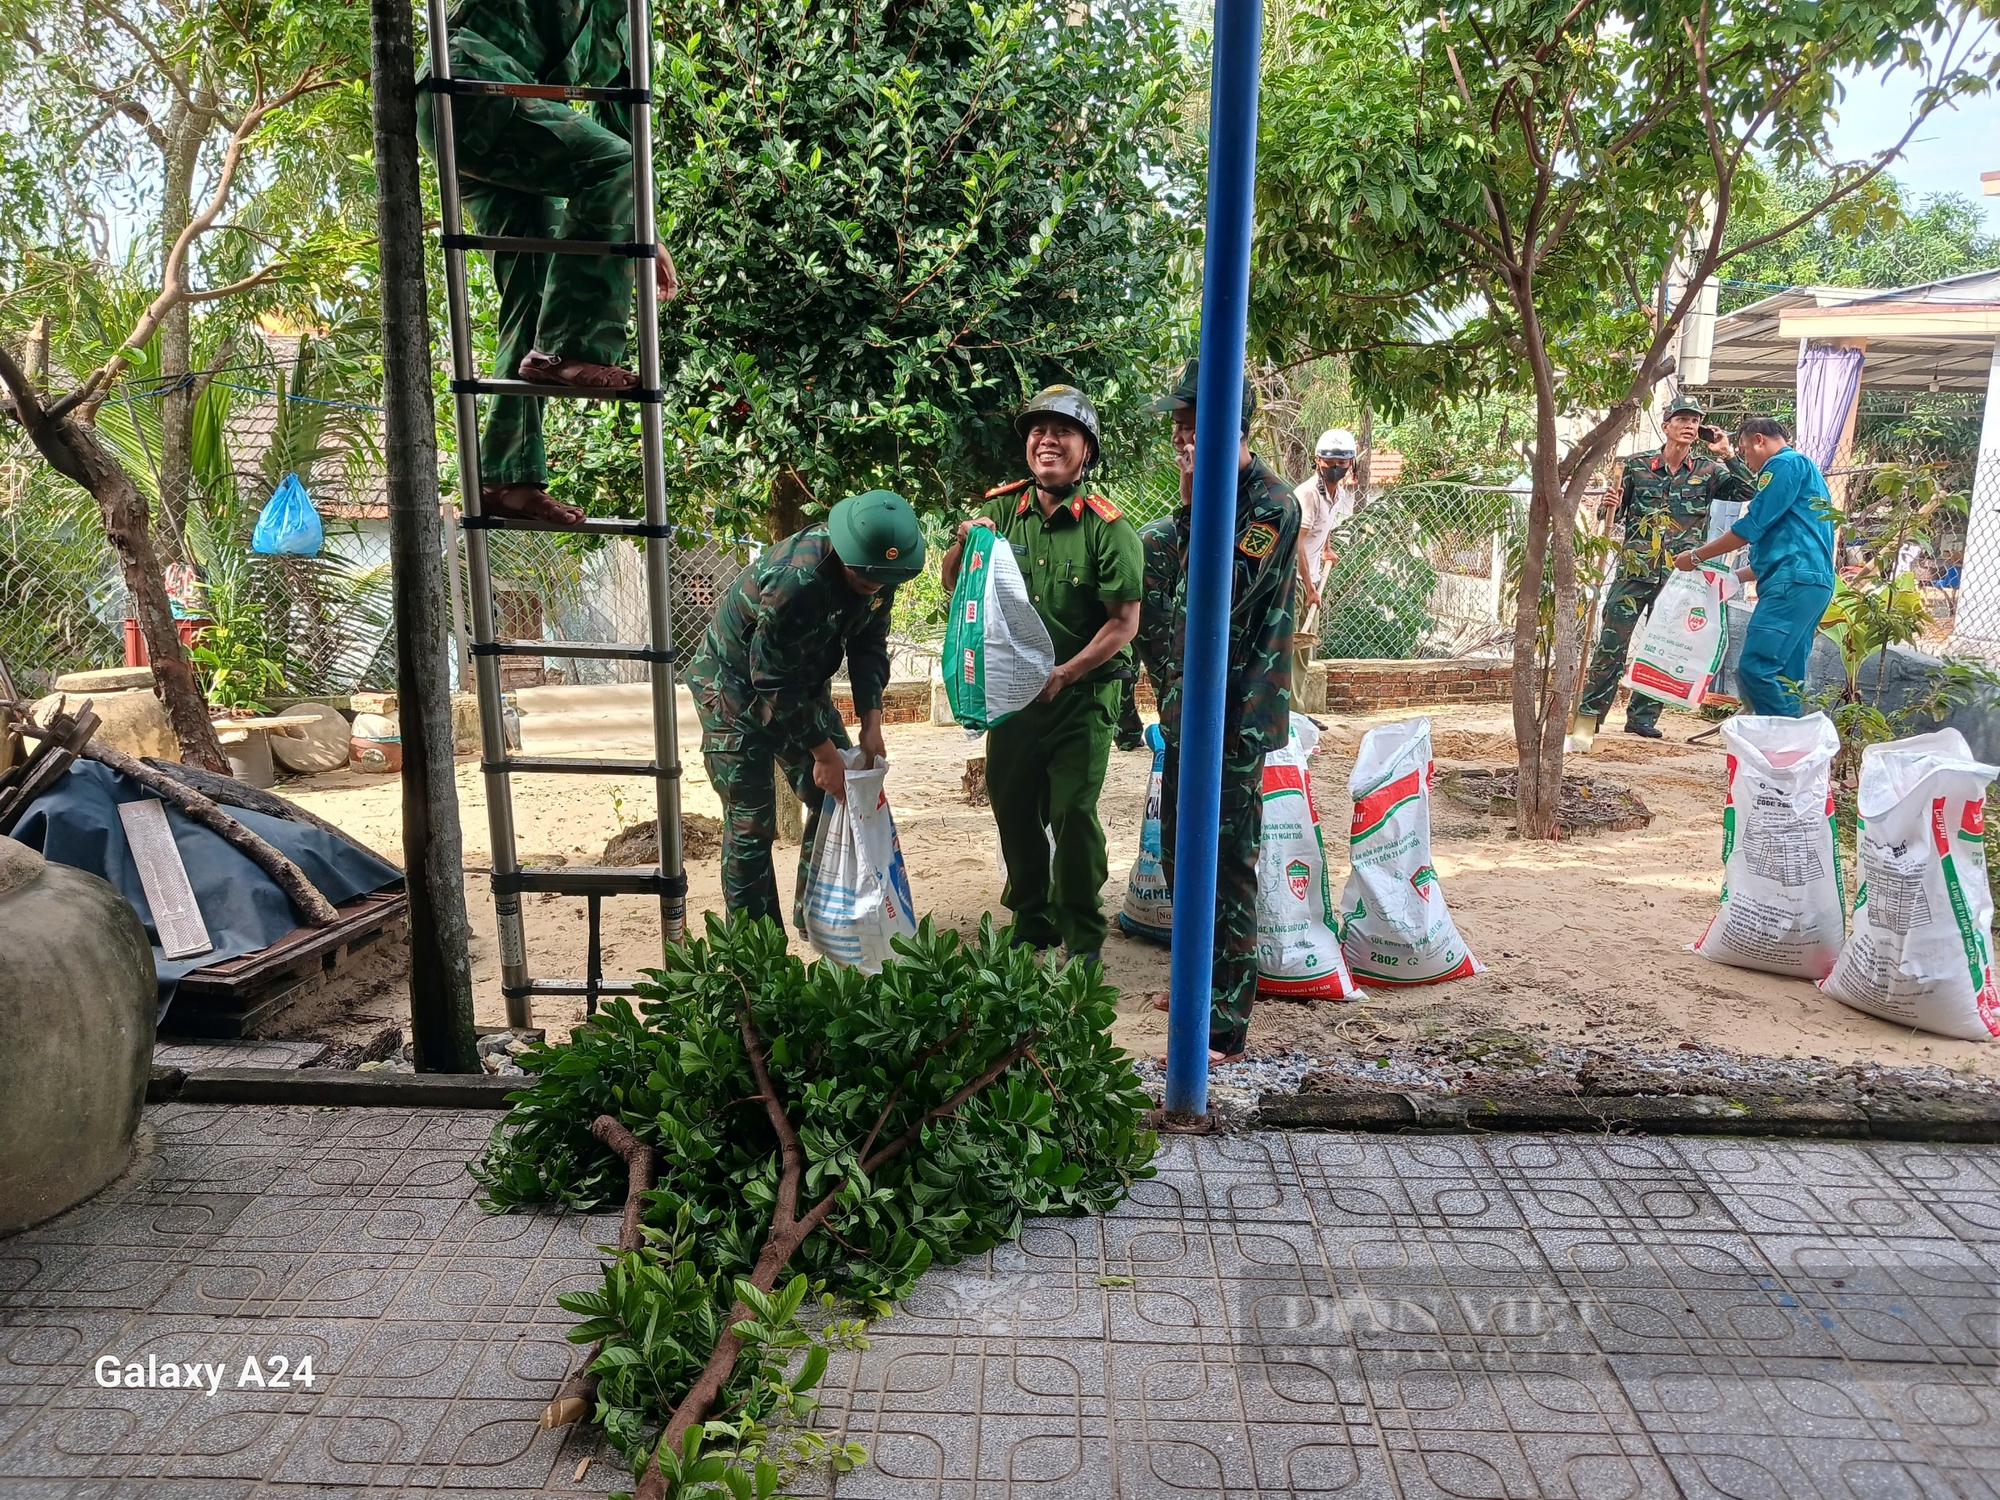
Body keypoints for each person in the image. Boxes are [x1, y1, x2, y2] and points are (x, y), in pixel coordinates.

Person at [418, 0, 680, 527]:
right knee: (615, 169)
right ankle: (567, 350)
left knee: (535, 289)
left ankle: (504, 479)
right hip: (468, 92)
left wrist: (644, 234)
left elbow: (623, 129)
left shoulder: (629, 21)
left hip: (508, 130)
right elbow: (617, 164)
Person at [941, 385, 1142, 968]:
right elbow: (957, 584)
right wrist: (961, 542)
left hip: (1081, 696)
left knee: (1072, 812)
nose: (1046, 440)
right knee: (1012, 804)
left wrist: (1066, 672)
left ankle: (1082, 934)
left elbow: (1123, 624)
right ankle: (1031, 923)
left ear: (1087, 450)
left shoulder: (1108, 529)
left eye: (1062, 432)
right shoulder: (999, 512)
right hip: (1014, 698)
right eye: (1037, 430)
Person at [1143, 359, 1301, 1063]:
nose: (1180, 437)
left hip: (1237, 709)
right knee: (1179, 850)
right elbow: (1165, 574)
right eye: (1176, 425)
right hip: (1187, 704)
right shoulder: (1199, 499)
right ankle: (1194, 983)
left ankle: (1225, 1020)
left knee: (1227, 861)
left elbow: (1216, 588)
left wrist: (1193, 493)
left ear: (1231, 427)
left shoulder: (1272, 501)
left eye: (1192, 424)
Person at [687, 491, 924, 931]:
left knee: (839, 795)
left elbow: (869, 646)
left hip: (799, 683)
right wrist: (823, 753)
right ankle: (756, 959)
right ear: (845, 550)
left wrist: (872, 724)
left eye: (883, 578)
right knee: (751, 824)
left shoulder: (880, 569)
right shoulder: (797, 581)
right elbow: (770, 678)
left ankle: (819, 920)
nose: (874, 584)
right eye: (865, 575)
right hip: (732, 690)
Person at [1578, 396, 1755, 738]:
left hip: (1680, 577)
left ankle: (1642, 719)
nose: (1689, 425)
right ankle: (1590, 717)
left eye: (1695, 420)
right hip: (1635, 570)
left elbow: (1748, 490)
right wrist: (1606, 505)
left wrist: (1727, 453)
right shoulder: (1635, 466)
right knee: (1611, 646)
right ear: (1666, 426)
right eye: (1682, 419)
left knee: (1664, 645)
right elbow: (1609, 515)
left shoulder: (1708, 471)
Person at [1674, 417, 1837, 717]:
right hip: (1808, 582)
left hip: (1791, 584)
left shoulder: (1784, 465)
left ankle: (1778, 742)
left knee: (1756, 668)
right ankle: (1789, 753)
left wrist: (1697, 557)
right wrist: (1732, 576)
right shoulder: (1804, 472)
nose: (1747, 460)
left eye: (1746, 450)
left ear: (1760, 440)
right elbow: (1780, 547)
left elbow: (1752, 526)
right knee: (1787, 678)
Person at [1292, 428, 1358, 676]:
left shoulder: (1338, 492)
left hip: (1311, 577)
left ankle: (1297, 712)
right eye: (1330, 462)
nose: (1336, 467)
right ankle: (1292, 713)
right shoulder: (1309, 493)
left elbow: (1325, 523)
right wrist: (1309, 588)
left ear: (1350, 462)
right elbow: (1297, 544)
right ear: (1318, 460)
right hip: (1295, 581)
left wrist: (1327, 549)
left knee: (1303, 653)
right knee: (1294, 652)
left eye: (1341, 462)